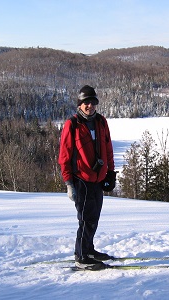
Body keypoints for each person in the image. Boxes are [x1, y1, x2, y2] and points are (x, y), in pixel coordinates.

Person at [58, 85, 116, 270]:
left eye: (93, 102)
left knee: (94, 216)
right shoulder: (72, 124)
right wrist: (69, 183)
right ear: (80, 104)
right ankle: (81, 256)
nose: (90, 106)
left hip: (98, 178)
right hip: (81, 179)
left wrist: (110, 172)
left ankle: (89, 249)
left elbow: (108, 148)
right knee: (85, 219)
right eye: (86, 103)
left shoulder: (101, 121)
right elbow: (64, 156)